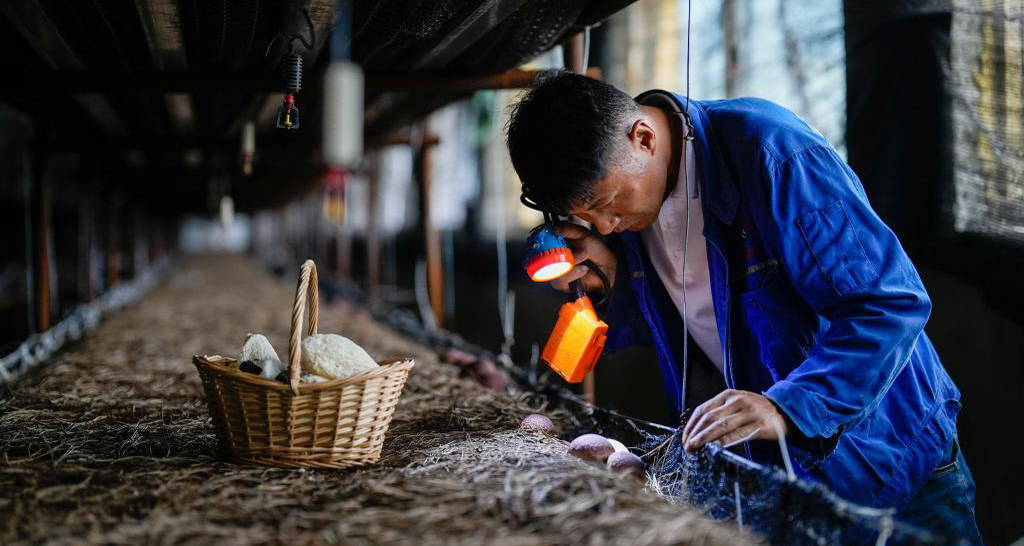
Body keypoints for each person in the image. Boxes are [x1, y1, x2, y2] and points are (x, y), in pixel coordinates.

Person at [505, 71, 982, 543]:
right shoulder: (631, 205)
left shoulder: (771, 155)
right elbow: (678, 323)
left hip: (886, 452)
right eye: (585, 217)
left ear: (644, 137)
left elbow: (889, 303)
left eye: (606, 204)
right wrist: (611, 278)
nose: (604, 226)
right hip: (778, 475)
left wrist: (791, 406)